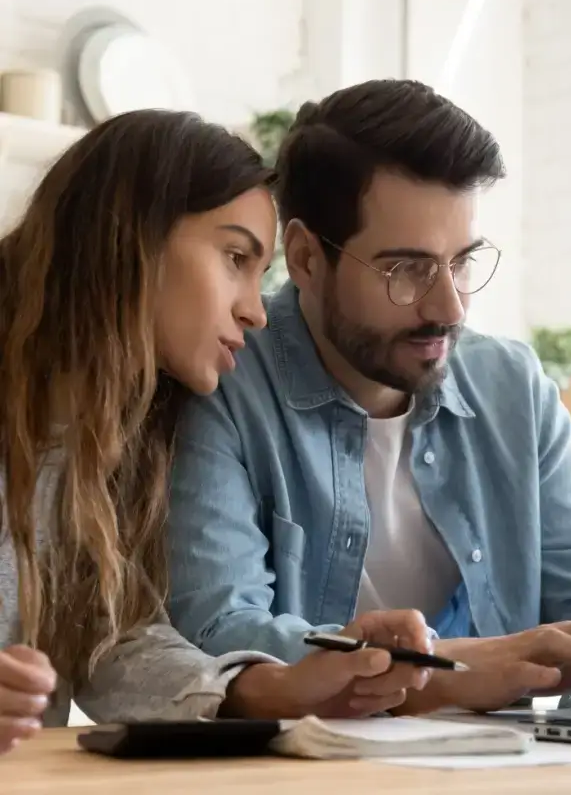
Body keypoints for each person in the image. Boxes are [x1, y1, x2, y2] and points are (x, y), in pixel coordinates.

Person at [167, 80, 571, 716]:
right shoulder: (221, 382)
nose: (449, 307)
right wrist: (448, 673)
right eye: (408, 270)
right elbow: (217, 631)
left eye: (462, 263)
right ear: (308, 259)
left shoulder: (513, 388)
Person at [0, 109, 432, 755]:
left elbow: (111, 638)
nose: (256, 311)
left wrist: (272, 687)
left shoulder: (108, 445)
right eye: (236, 257)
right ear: (131, 235)